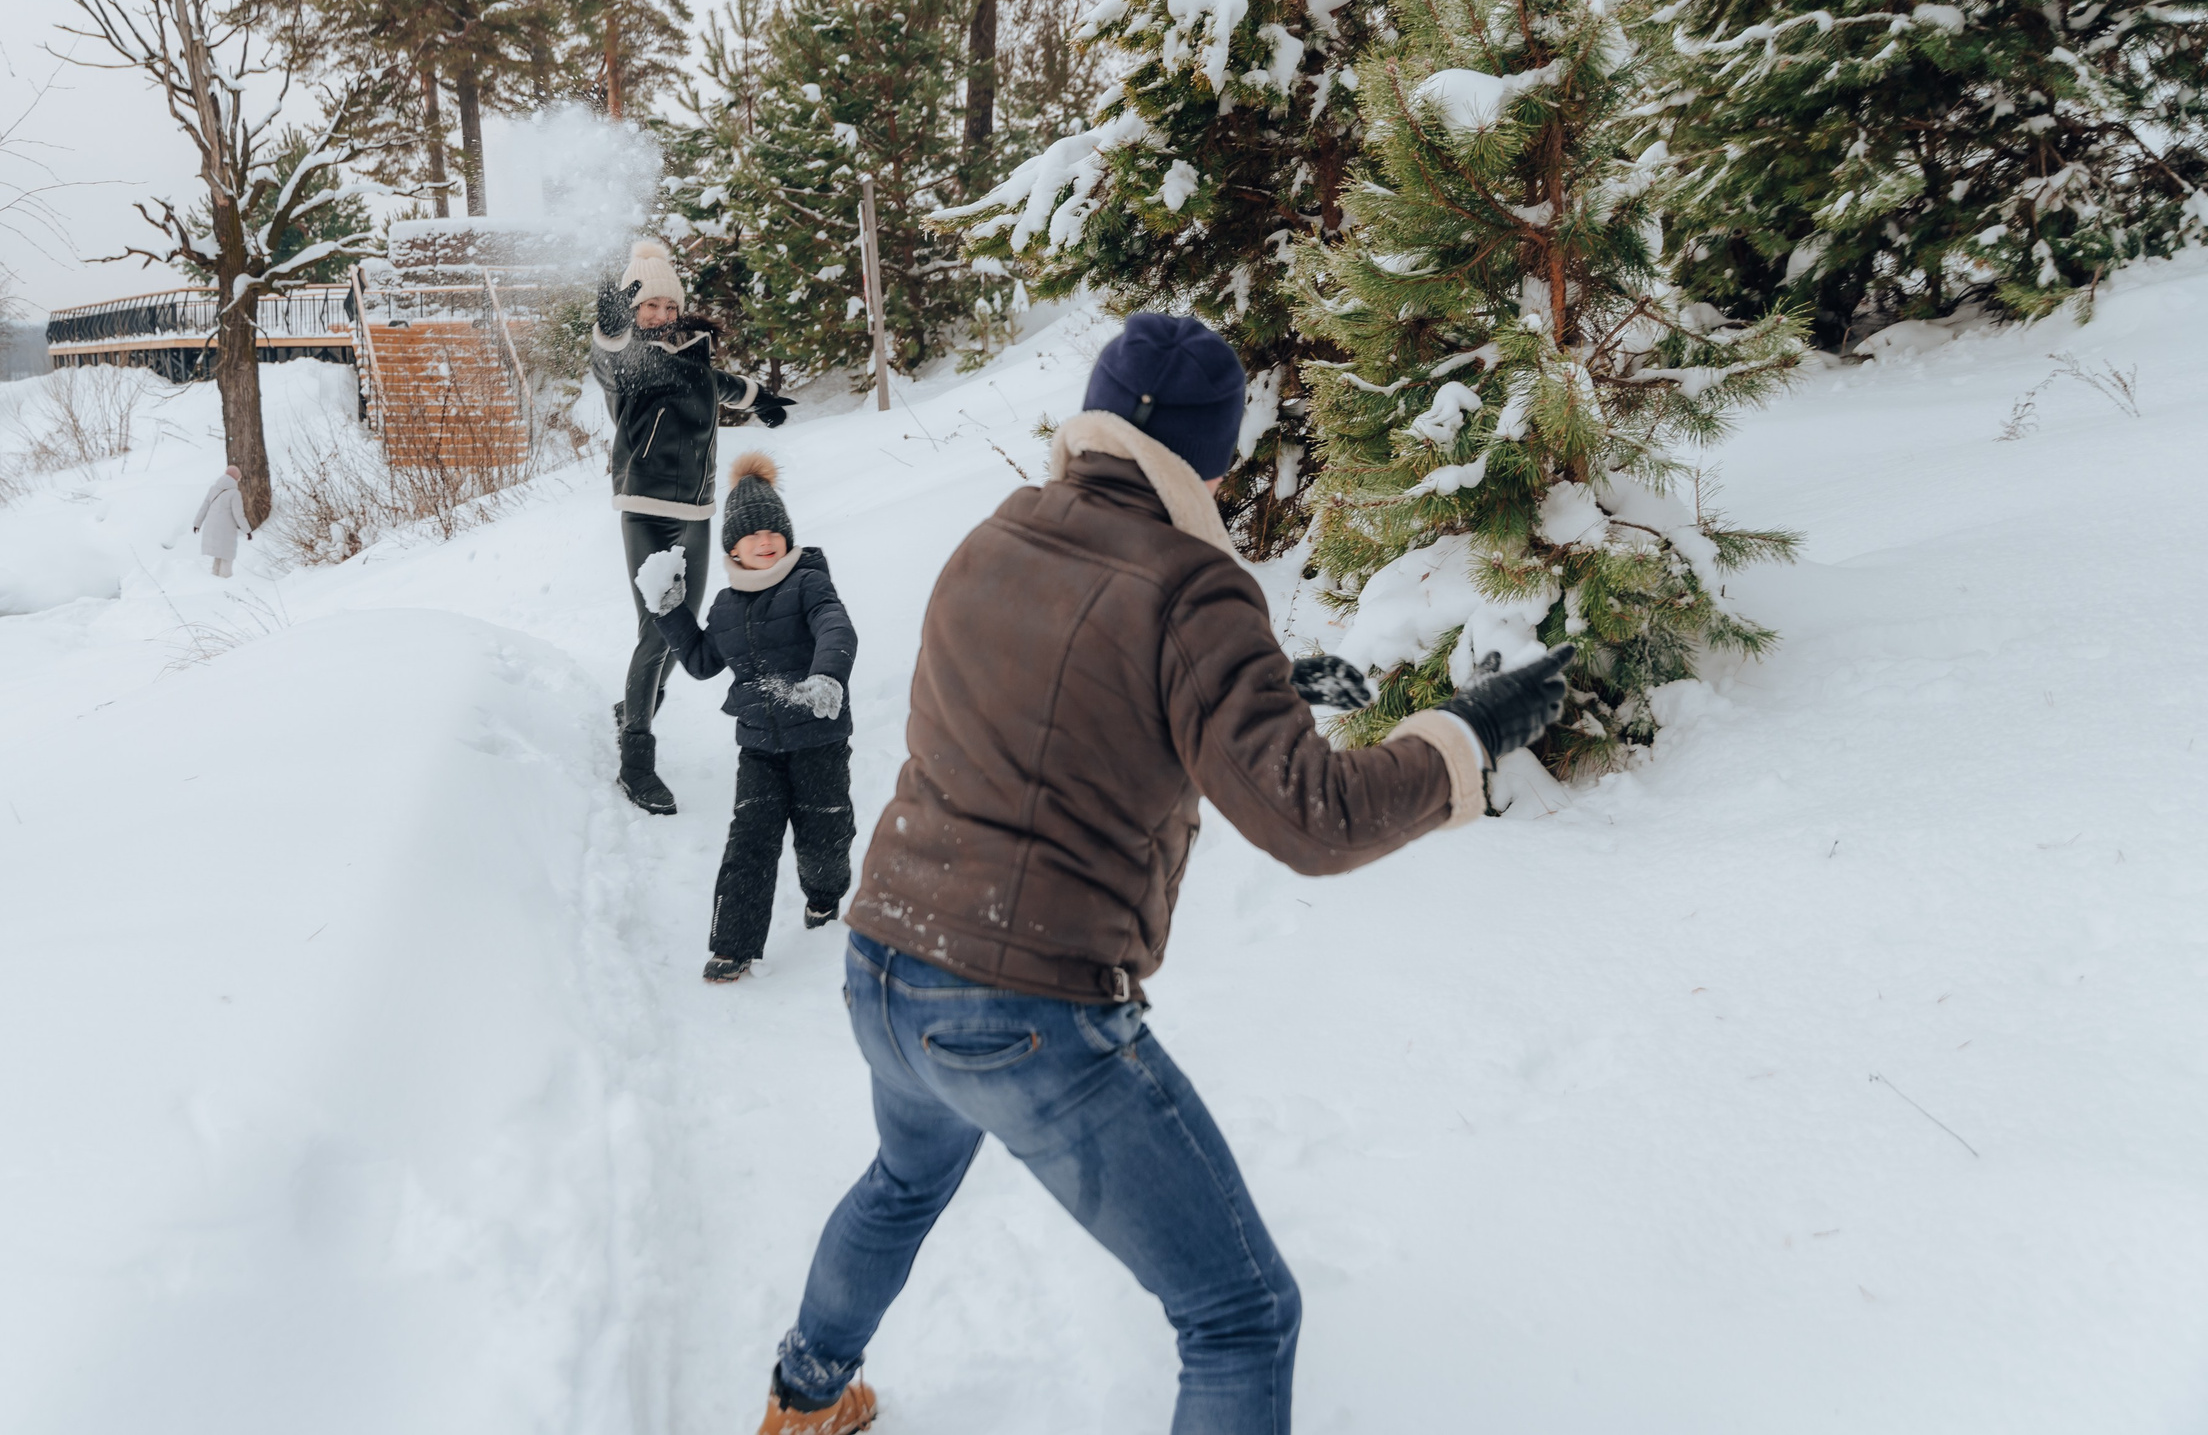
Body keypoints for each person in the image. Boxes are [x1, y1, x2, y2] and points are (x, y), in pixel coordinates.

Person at [752, 313, 1574, 1435]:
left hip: (884, 958)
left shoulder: (997, 532)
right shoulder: (1195, 587)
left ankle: (802, 1397)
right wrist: (1462, 741)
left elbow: (1065, 675)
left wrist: (1267, 676)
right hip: (1023, 1005)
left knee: (902, 1181)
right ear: (1216, 462)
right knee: (1240, 1312)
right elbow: (1313, 819)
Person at [638, 453, 859, 984]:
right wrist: (670, 612)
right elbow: (702, 662)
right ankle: (733, 946)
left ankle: (825, 898)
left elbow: (836, 629)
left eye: (775, 531)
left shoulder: (809, 584)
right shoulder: (726, 604)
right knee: (749, 843)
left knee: (824, 834)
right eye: (753, 534)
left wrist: (828, 676)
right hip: (758, 746)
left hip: (818, 737)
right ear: (732, 547)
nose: (767, 541)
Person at [593, 239, 795, 815]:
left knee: (678, 642)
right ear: (632, 311)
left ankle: (633, 709)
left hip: (697, 515)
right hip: (645, 510)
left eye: (667, 306)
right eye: (648, 306)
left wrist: (759, 399)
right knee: (658, 635)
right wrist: (609, 332)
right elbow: (611, 361)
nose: (659, 316)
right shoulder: (630, 356)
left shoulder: (691, 352)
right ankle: (637, 760)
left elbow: (716, 382)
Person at [192, 465, 251, 578]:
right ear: (236, 478)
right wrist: (247, 530)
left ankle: (214, 580)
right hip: (225, 530)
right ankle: (225, 583)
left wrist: (197, 524)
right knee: (227, 556)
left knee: (218, 556)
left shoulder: (213, 489)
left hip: (211, 527)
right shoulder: (234, 493)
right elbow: (238, 515)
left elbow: (204, 507)